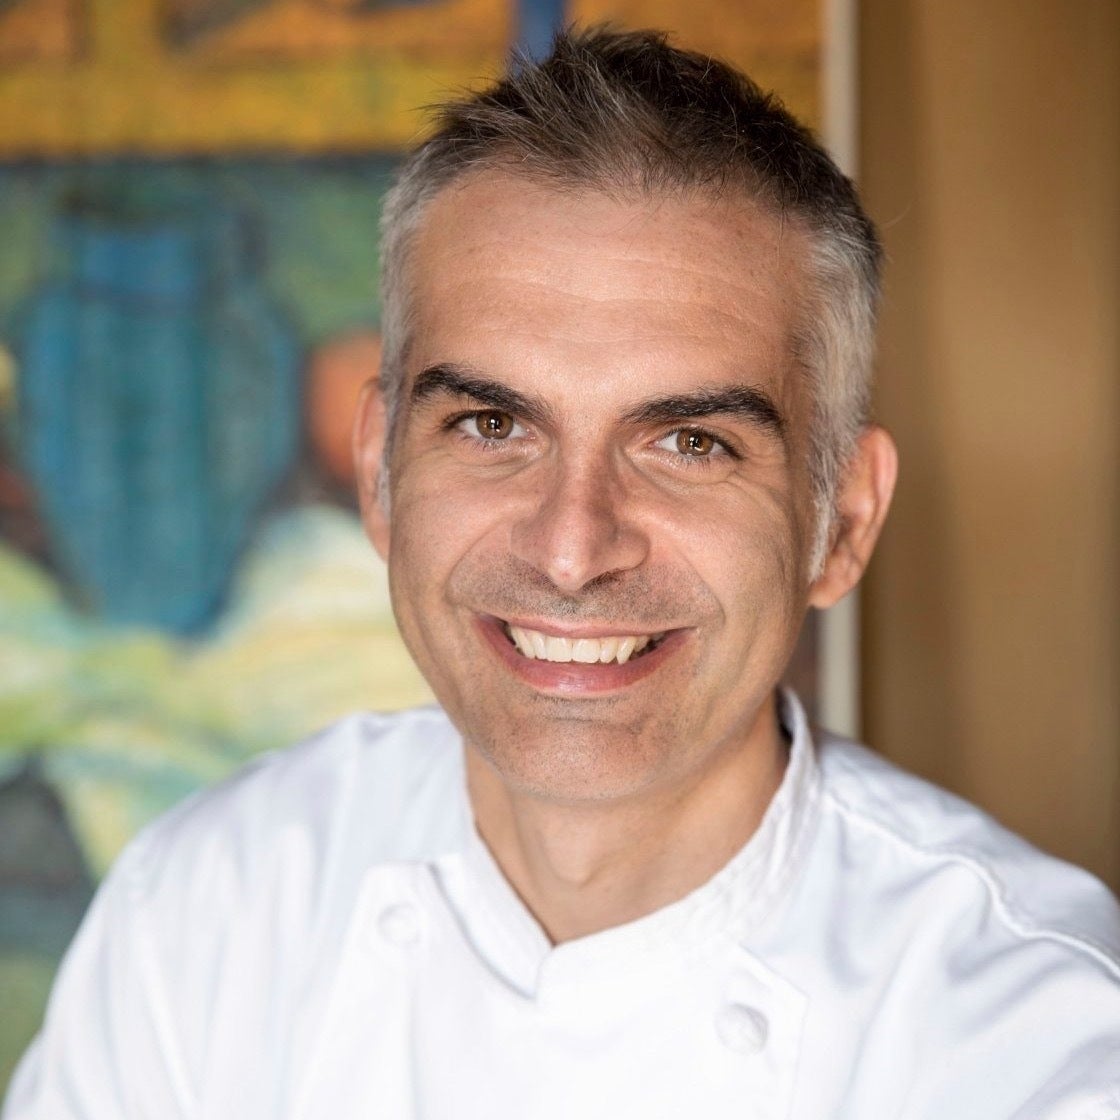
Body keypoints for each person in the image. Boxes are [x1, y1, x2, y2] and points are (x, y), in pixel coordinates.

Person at [6, 27, 1120, 1120]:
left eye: (689, 443)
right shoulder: (207, 911)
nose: (571, 549)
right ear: (380, 476)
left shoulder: (1035, 1044)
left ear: (845, 522)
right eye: (493, 425)